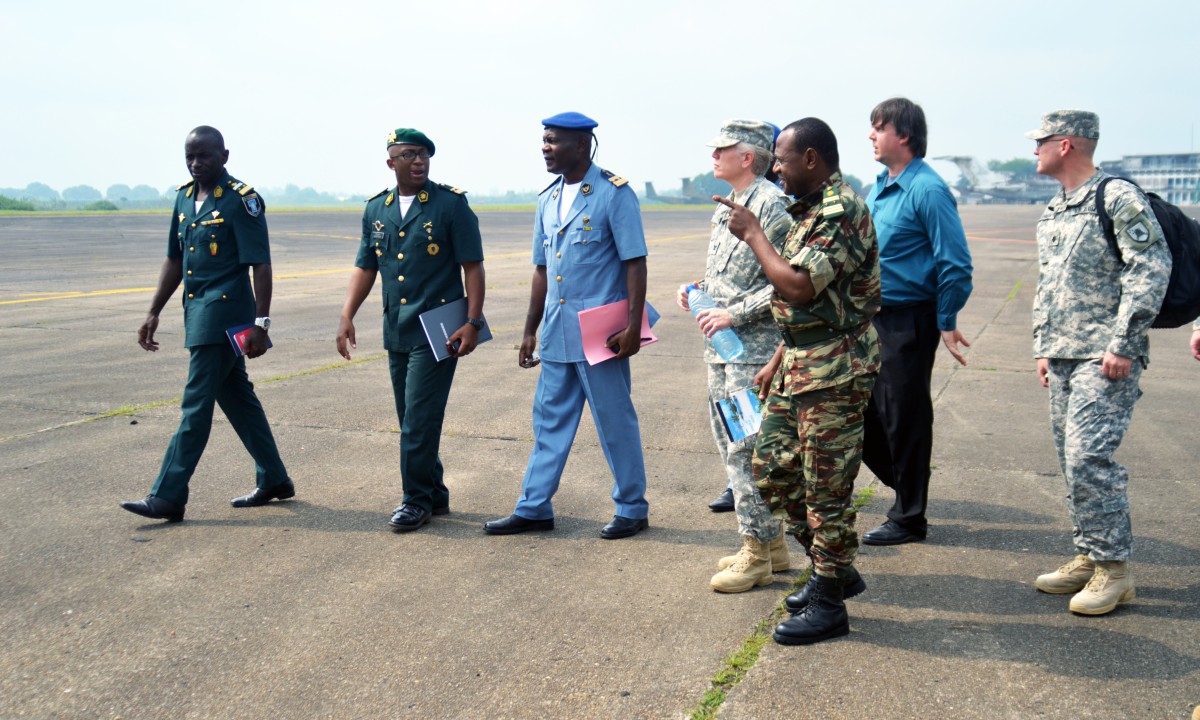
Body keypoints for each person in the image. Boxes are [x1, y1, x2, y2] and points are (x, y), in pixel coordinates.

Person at [717, 118, 881, 644]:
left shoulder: (839, 210)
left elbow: (800, 285)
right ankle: (831, 567)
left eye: (783, 161)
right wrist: (781, 355)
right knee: (771, 465)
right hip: (800, 361)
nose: (777, 170)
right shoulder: (808, 210)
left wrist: (754, 234)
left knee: (825, 488)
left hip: (836, 368)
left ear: (811, 158)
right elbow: (807, 305)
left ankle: (831, 601)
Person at [1027, 110, 1169, 615]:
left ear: (1065, 145)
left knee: (1090, 458)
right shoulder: (1057, 208)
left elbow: (1151, 267)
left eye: (1040, 141)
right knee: (1071, 461)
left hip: (1104, 356)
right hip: (1064, 354)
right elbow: (1050, 284)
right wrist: (1043, 346)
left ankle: (1115, 570)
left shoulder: (1116, 197)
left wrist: (1123, 343)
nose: (1034, 149)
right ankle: (1088, 553)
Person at [484, 111, 650, 540]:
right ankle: (534, 506)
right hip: (558, 330)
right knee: (549, 422)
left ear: (582, 145)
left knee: (615, 421)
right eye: (543, 140)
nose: (545, 148)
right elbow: (541, 270)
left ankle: (632, 507)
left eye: (553, 141)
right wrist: (528, 329)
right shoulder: (546, 198)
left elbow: (635, 262)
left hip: (603, 334)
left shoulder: (614, 194)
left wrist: (633, 326)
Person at [120, 126, 292, 522]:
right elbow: (174, 260)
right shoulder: (183, 198)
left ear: (224, 156)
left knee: (195, 404)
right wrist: (153, 310)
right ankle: (275, 479)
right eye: (190, 157)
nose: (197, 164)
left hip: (226, 316)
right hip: (197, 312)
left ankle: (167, 495)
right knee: (236, 398)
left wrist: (262, 323)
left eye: (205, 157)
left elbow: (260, 264)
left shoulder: (241, 201)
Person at [336, 128, 485, 533]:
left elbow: (473, 266)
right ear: (391, 162)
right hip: (397, 328)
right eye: (408, 155)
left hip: (441, 328)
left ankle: (414, 500)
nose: (418, 161)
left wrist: (472, 323)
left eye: (423, 154)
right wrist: (347, 314)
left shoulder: (450, 205)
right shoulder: (376, 210)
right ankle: (434, 492)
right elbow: (366, 266)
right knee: (411, 417)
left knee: (418, 419)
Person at [674, 119, 793, 592]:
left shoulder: (771, 207)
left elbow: (785, 283)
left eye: (722, 149)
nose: (713, 156)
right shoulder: (732, 205)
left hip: (751, 353)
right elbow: (734, 274)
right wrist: (700, 293)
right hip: (723, 352)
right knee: (731, 445)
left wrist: (733, 314)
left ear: (748, 157)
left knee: (746, 450)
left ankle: (757, 552)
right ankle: (774, 544)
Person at [860, 97, 974, 546]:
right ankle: (907, 487)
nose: (871, 135)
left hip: (910, 317)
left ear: (903, 135)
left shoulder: (927, 189)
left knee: (904, 415)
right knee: (866, 414)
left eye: (879, 127)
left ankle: (909, 516)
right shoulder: (881, 186)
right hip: (873, 318)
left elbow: (955, 262)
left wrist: (946, 319)